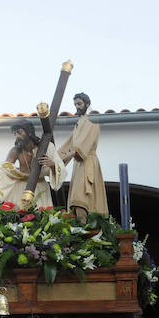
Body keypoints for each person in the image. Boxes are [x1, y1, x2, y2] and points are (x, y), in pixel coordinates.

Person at [0, 119, 65, 210]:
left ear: (29, 132)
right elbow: (4, 169)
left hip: (40, 186)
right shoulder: (16, 151)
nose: (17, 136)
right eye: (15, 134)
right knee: (20, 217)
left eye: (19, 132)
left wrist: (53, 165)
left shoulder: (46, 147)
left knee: (42, 217)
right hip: (21, 187)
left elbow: (60, 165)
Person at [56, 92, 107, 222]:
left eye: (79, 104)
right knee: (76, 200)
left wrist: (70, 154)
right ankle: (80, 229)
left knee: (80, 198)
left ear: (87, 104)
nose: (77, 107)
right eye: (75, 104)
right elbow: (69, 145)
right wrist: (55, 160)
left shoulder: (92, 118)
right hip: (78, 164)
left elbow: (80, 147)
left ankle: (84, 229)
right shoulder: (79, 123)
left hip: (87, 161)